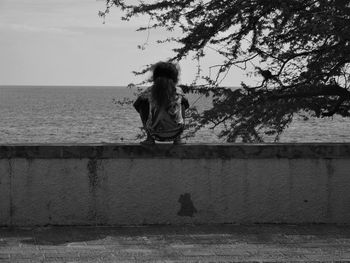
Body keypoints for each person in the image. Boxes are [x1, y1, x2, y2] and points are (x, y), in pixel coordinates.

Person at [133, 61, 189, 145]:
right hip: (176, 132)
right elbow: (186, 105)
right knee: (182, 103)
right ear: (175, 78)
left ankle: (149, 139)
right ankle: (178, 139)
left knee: (142, 103)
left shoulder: (148, 92)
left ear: (155, 77)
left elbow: (137, 105)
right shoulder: (178, 91)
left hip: (154, 133)